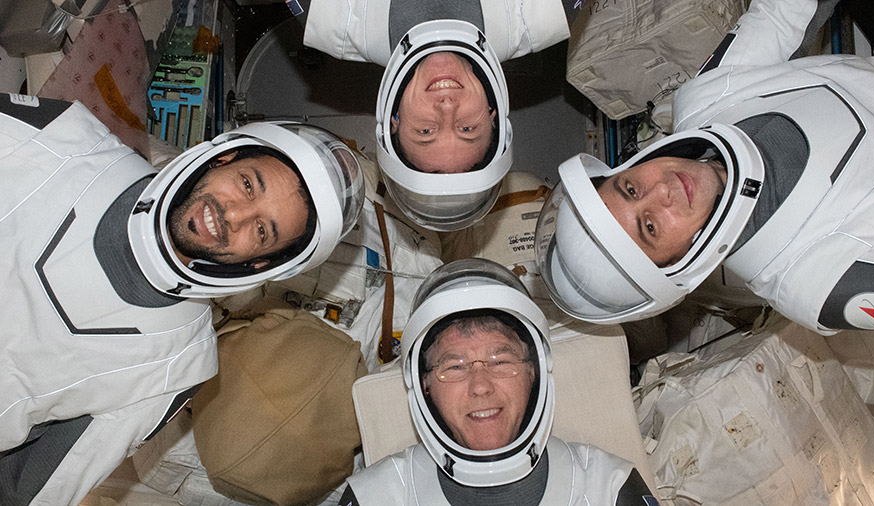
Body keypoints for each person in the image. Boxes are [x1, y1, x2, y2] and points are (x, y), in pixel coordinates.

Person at [0, 92, 364, 505]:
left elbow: (23, 490)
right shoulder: (70, 137)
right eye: (248, 185)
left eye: (262, 231)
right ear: (222, 157)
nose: (234, 214)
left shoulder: (178, 366)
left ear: (262, 263)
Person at [536, 0, 874, 334]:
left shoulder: (705, 99)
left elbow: (781, 13)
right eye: (649, 226)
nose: (660, 192)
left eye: (630, 188)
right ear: (678, 261)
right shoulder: (813, 281)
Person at [337, 258, 657, 505]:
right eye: (456, 366)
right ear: (424, 385)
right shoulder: (373, 497)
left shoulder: (610, 488)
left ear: (534, 372)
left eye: (500, 361)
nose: (481, 386)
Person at [301, 0, 571, 230]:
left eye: (426, 131)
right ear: (493, 116)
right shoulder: (541, 17)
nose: (446, 106)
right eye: (467, 128)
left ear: (394, 121)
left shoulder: (332, 21)